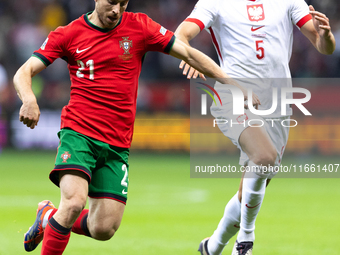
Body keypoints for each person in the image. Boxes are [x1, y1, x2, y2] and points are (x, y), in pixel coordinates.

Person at [13, 0, 260, 254]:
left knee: (103, 228)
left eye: (123, 3)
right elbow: (24, 71)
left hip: (117, 144)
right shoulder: (69, 33)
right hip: (79, 134)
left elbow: (187, 53)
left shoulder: (140, 26)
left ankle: (48, 217)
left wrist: (232, 84)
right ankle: (58, 218)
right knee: (74, 202)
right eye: (111, 2)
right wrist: (29, 99)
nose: (117, 10)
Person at [174, 1, 335, 255]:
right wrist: (187, 53)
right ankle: (245, 241)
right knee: (264, 157)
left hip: (277, 101)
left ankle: (213, 246)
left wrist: (326, 35)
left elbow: (323, 46)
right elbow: (181, 34)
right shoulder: (215, 2)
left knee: (252, 184)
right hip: (233, 92)